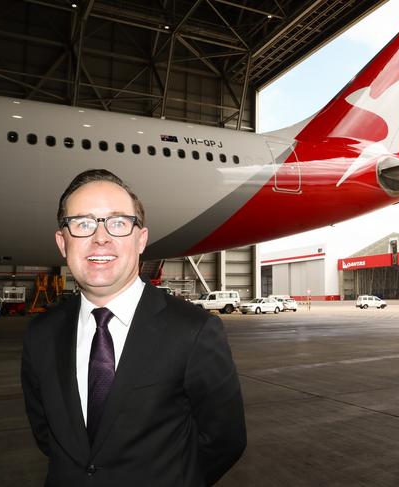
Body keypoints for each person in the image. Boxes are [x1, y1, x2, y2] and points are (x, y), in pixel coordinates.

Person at [21, 169, 246, 486]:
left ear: (141, 240)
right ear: (62, 242)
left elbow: (225, 441)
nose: (101, 238)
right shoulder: (40, 333)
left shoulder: (195, 330)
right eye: (83, 224)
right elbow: (45, 434)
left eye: (118, 223)